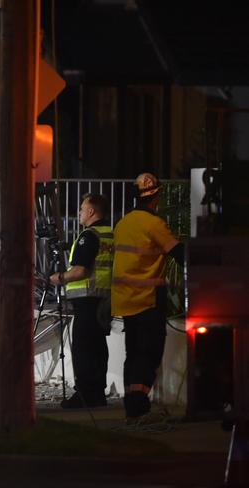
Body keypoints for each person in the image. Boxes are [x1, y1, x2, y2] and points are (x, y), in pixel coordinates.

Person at [111, 173, 184, 423]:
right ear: (156, 197)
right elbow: (177, 252)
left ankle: (132, 405)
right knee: (149, 353)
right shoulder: (154, 224)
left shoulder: (123, 223)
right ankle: (139, 406)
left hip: (125, 300)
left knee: (133, 353)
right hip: (149, 299)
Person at [50, 193, 113, 408]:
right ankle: (97, 394)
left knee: (83, 349)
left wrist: (58, 278)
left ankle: (85, 395)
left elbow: (79, 271)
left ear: (91, 212)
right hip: (104, 300)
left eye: (81, 208)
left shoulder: (89, 236)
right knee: (97, 347)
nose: (79, 212)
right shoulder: (110, 234)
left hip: (88, 300)